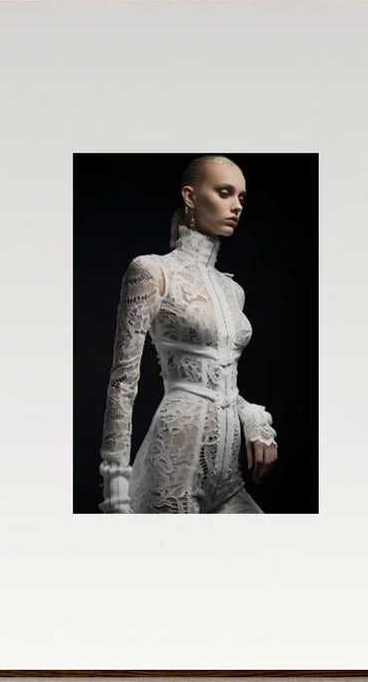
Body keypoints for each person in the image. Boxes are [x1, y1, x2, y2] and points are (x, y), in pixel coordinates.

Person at [98, 154, 278, 513]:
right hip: (174, 464)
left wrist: (255, 419)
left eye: (241, 198)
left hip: (228, 476)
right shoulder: (152, 270)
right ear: (190, 196)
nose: (236, 206)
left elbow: (220, 381)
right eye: (224, 192)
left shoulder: (232, 290)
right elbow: (123, 383)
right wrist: (115, 489)